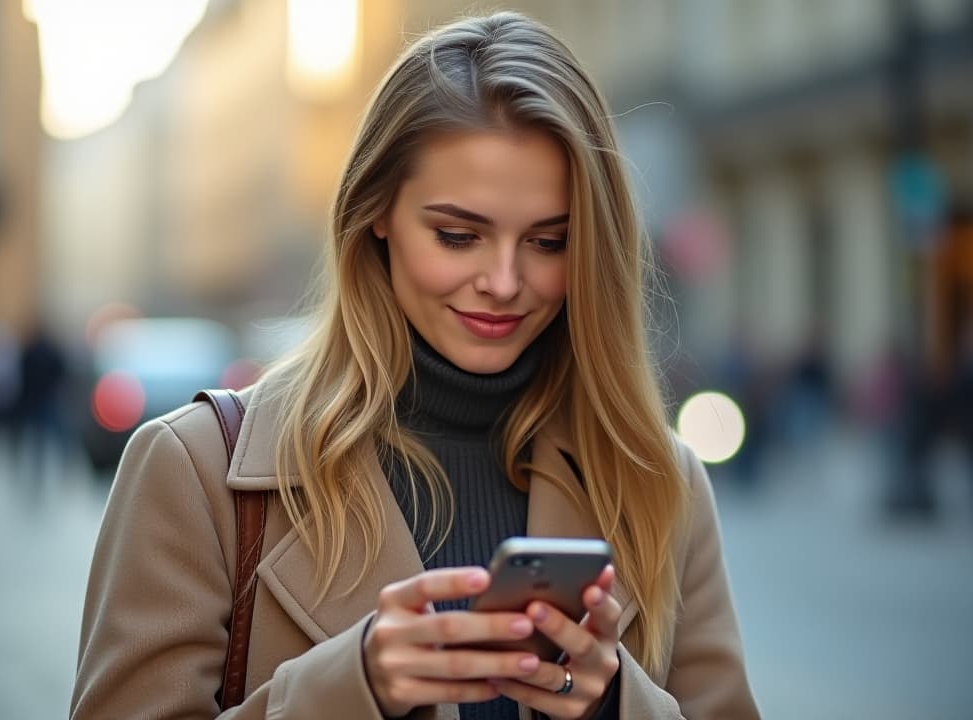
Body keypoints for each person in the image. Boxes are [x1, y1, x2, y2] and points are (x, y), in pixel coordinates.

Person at [70, 12, 759, 720]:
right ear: (375, 212)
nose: (503, 280)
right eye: (458, 235)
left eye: (549, 242)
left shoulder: (655, 479)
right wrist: (352, 686)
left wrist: (618, 702)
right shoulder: (195, 472)